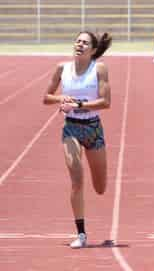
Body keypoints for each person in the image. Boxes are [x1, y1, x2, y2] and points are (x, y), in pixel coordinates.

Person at [43, 31, 112, 248]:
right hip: (71, 128)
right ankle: (81, 234)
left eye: (85, 42)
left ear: (92, 50)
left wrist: (80, 105)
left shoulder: (99, 69)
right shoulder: (62, 69)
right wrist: (60, 98)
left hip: (93, 129)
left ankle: (97, 186)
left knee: (100, 187)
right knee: (76, 179)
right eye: (78, 41)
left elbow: (106, 102)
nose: (80, 44)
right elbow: (46, 97)